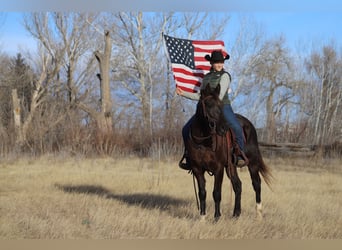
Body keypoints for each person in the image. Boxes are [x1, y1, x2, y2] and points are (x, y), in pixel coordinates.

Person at [176, 50, 247, 170]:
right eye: (216, 62)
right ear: (212, 63)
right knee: (186, 129)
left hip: (222, 106)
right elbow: (201, 95)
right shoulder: (207, 77)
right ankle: (189, 156)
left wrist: (211, 103)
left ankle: (239, 153)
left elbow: (219, 95)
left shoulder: (225, 76)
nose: (219, 64)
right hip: (206, 108)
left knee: (236, 127)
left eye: (221, 62)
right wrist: (183, 93)